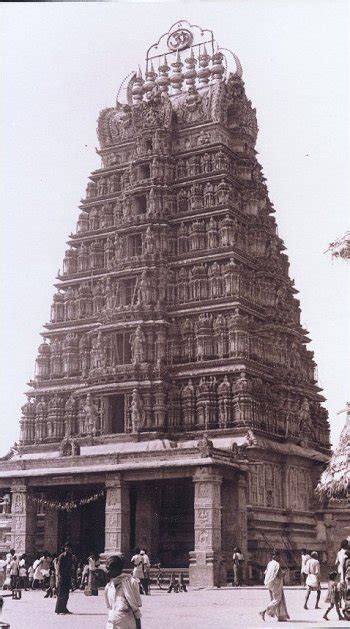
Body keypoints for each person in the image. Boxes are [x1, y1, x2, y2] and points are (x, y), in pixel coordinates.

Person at [104, 554, 142, 629]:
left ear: (117, 569)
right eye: (106, 568)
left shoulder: (131, 583)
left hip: (126, 625)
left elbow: (136, 611)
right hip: (111, 625)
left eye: (109, 569)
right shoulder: (108, 587)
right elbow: (110, 607)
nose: (107, 572)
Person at [259, 551, 290, 622]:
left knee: (279, 599)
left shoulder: (270, 563)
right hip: (276, 584)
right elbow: (279, 575)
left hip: (271, 584)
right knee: (277, 600)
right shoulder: (277, 564)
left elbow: (266, 573)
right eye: (279, 557)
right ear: (276, 556)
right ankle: (264, 611)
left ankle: (281, 616)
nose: (280, 558)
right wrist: (285, 573)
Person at [55, 542, 73, 615]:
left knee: (66, 593)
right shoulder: (62, 556)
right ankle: (58, 609)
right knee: (61, 593)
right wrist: (59, 576)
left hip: (67, 576)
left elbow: (71, 567)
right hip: (62, 576)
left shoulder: (70, 556)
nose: (67, 548)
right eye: (66, 547)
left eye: (68, 547)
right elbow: (59, 567)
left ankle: (64, 608)